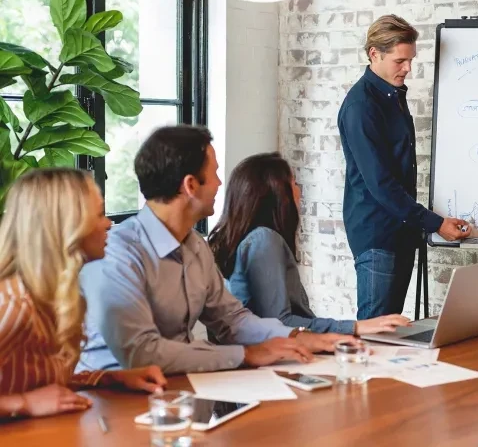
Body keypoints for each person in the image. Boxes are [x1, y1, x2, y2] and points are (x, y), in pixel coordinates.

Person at [79, 126, 352, 376]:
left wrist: (297, 336)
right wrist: (245, 354)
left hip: (177, 386)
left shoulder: (196, 245)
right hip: (111, 398)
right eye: (215, 174)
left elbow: (233, 320)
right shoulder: (120, 252)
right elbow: (141, 354)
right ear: (190, 185)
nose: (220, 184)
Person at [0, 169, 165, 419]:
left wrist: (111, 377)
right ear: (67, 226)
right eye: (99, 214)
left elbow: (43, 381)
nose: (109, 223)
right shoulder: (14, 304)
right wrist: (23, 403)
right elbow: (31, 396)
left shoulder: (52, 296)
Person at [337, 14, 471, 320]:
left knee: (393, 329)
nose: (408, 68)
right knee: (376, 331)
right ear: (374, 54)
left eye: (410, 60)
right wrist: (434, 223)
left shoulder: (391, 95)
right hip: (377, 236)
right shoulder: (361, 107)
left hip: (400, 232)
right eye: (400, 61)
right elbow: (381, 184)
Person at [209, 153, 411, 335]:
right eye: (295, 184)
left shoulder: (254, 240)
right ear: (277, 193)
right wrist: (357, 327)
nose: (300, 192)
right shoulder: (264, 240)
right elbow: (280, 323)